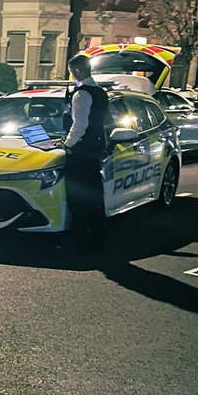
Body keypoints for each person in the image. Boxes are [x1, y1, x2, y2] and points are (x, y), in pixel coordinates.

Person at [63, 52, 110, 250]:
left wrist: (67, 144)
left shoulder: (81, 94)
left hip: (81, 150)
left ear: (77, 70)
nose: (72, 75)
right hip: (95, 147)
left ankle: (78, 239)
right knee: (94, 193)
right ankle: (98, 236)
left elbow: (79, 125)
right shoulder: (100, 91)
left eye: (72, 72)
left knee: (77, 196)